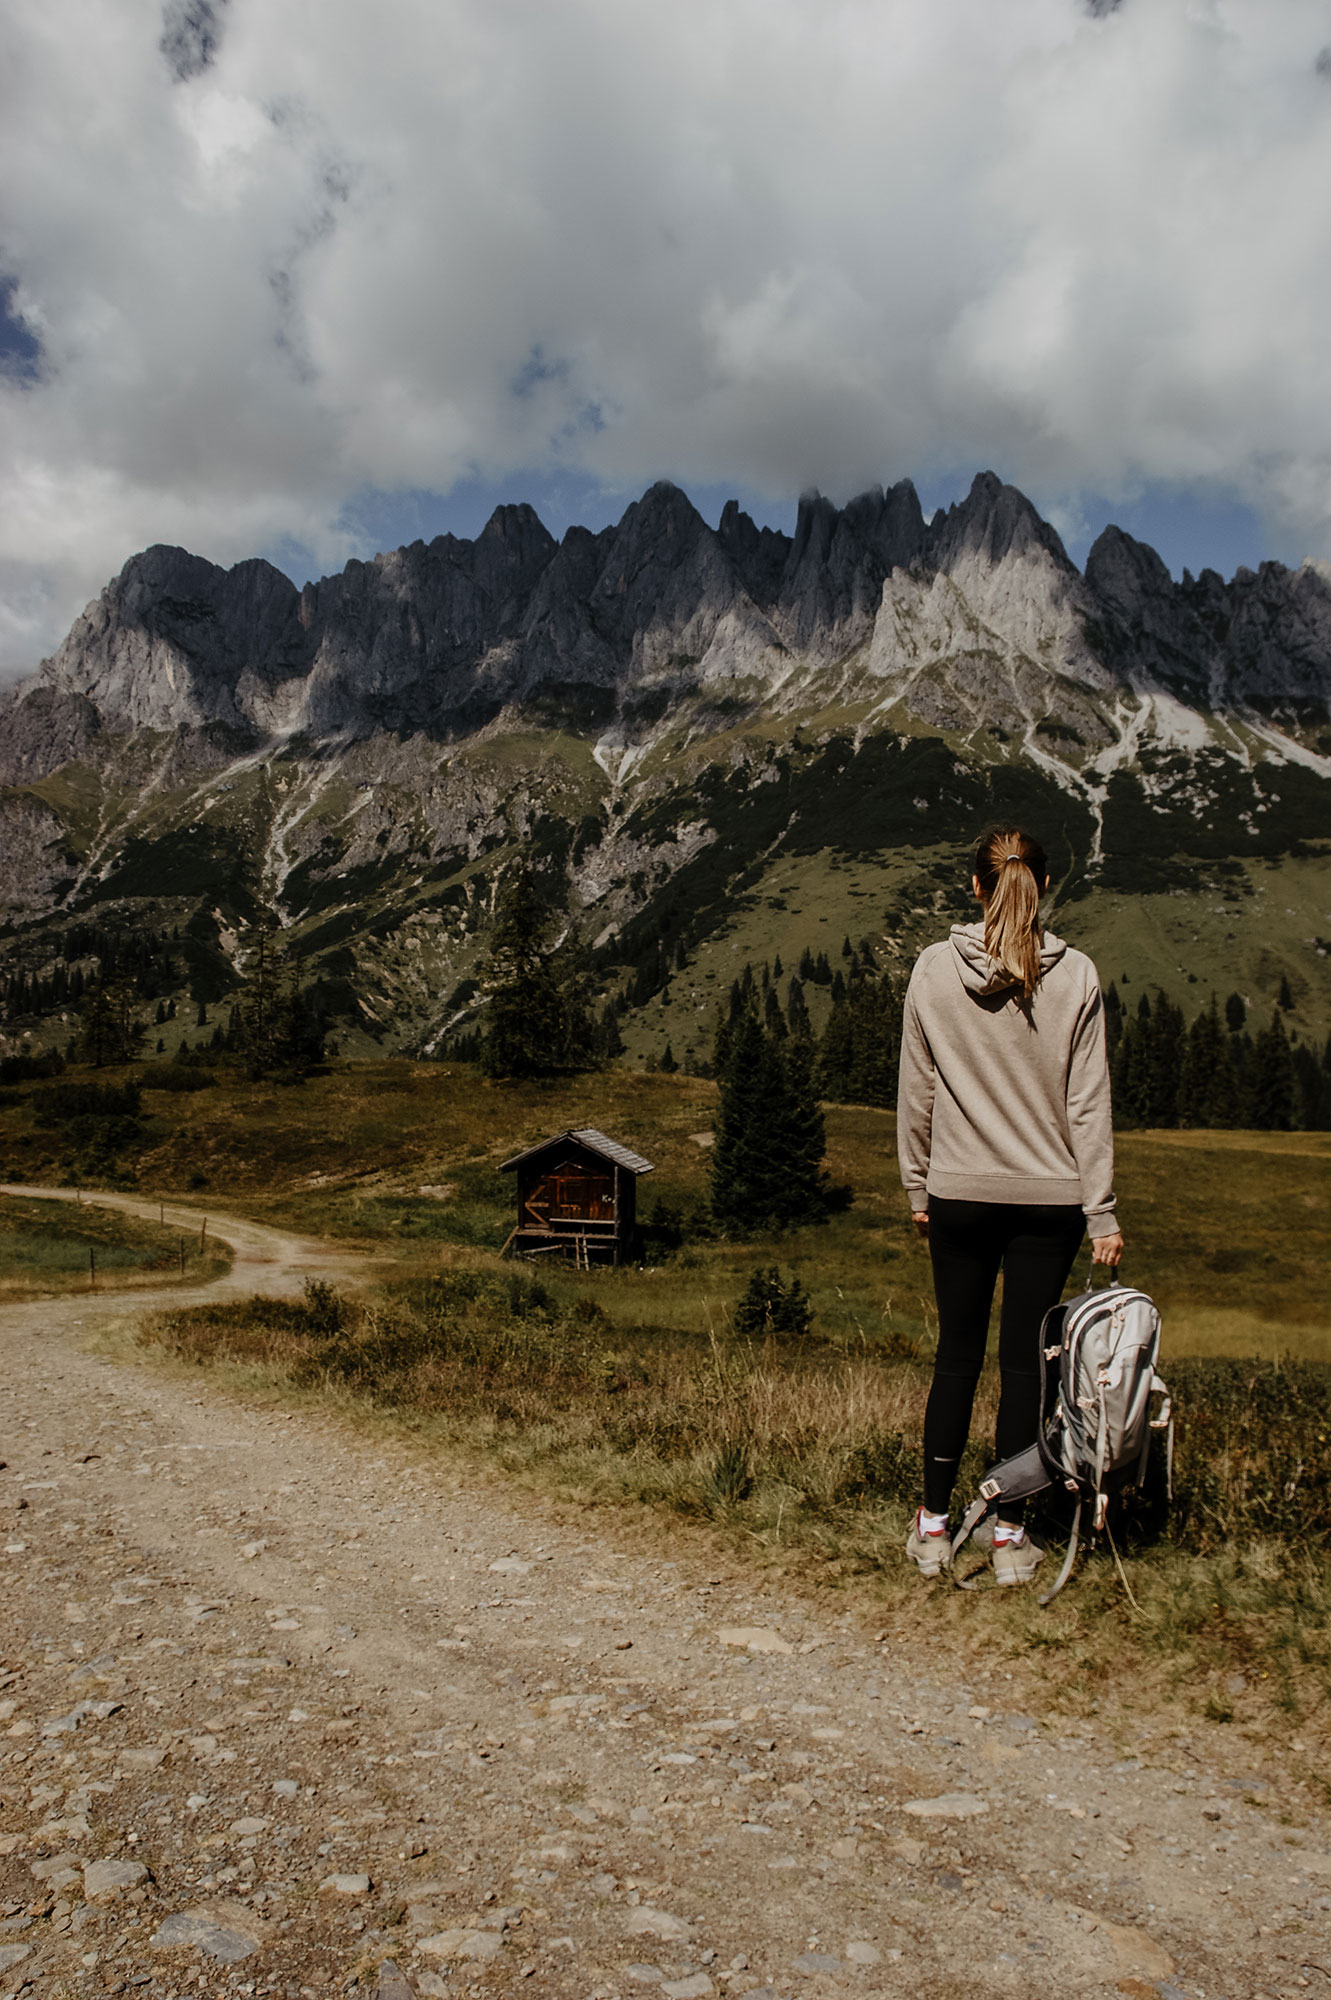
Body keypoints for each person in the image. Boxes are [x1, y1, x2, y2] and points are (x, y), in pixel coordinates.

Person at [896, 828, 1123, 1586]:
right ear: (1045, 886)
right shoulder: (1077, 974)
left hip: (958, 1192)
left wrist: (916, 1183)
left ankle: (931, 1529)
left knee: (955, 1357)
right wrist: (1101, 1212)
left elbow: (917, 1089)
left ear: (973, 887)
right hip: (1049, 1200)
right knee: (1026, 1368)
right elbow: (1087, 1106)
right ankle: (1008, 1536)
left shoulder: (933, 968)